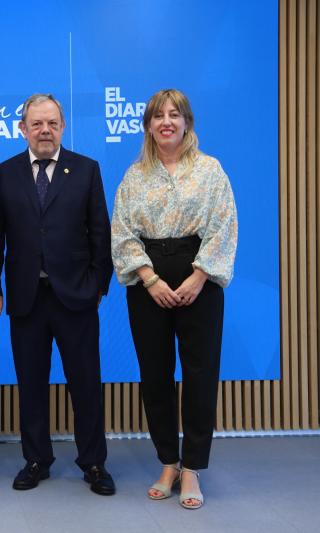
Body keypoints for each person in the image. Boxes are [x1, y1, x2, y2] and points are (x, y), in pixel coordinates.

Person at [0, 93, 115, 496]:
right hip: (26, 297)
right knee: (31, 383)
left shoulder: (86, 170)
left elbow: (101, 233)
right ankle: (36, 459)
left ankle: (93, 463)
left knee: (86, 384)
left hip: (76, 297)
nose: (45, 131)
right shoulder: (4, 173)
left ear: (63, 126)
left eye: (52, 123)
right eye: (36, 124)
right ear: (22, 129)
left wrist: (98, 285)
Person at [111, 88, 237, 510]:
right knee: (155, 374)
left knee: (200, 375)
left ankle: (193, 468)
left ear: (187, 122)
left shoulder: (210, 170)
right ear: (147, 125)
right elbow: (122, 232)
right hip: (149, 281)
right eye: (158, 115)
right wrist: (149, 279)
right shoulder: (134, 176)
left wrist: (200, 276)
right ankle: (168, 461)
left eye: (175, 114)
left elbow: (223, 226)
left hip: (199, 274)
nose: (167, 121)